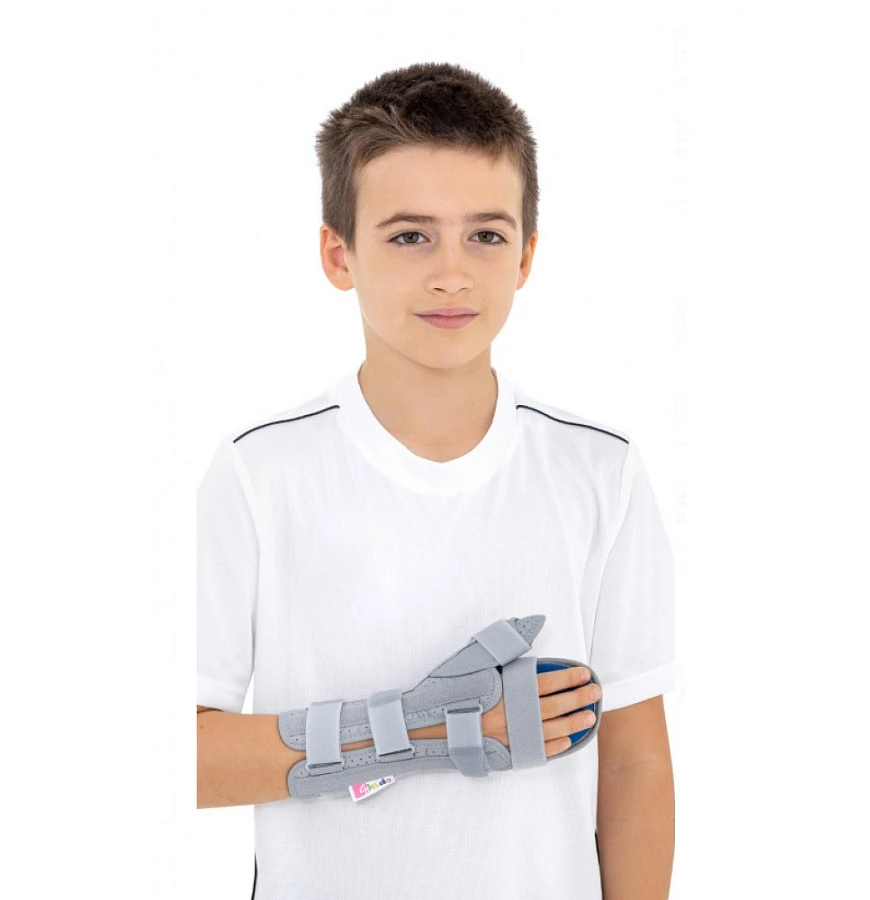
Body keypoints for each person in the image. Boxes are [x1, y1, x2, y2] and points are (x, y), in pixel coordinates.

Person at [196, 61, 676, 900]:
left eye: (485, 235)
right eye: (409, 236)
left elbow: (634, 761)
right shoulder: (258, 473)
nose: (451, 273)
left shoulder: (602, 471)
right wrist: (437, 726)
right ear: (338, 254)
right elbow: (186, 758)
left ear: (526, 256)